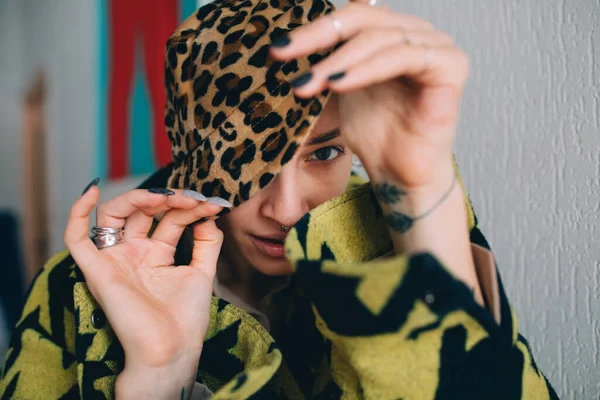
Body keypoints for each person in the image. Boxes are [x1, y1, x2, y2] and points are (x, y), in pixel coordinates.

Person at [0, 0, 558, 399]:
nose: (286, 210)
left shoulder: (409, 234)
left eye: (323, 154)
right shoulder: (75, 288)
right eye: (249, 163)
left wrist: (423, 187)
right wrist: (157, 378)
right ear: (193, 152)